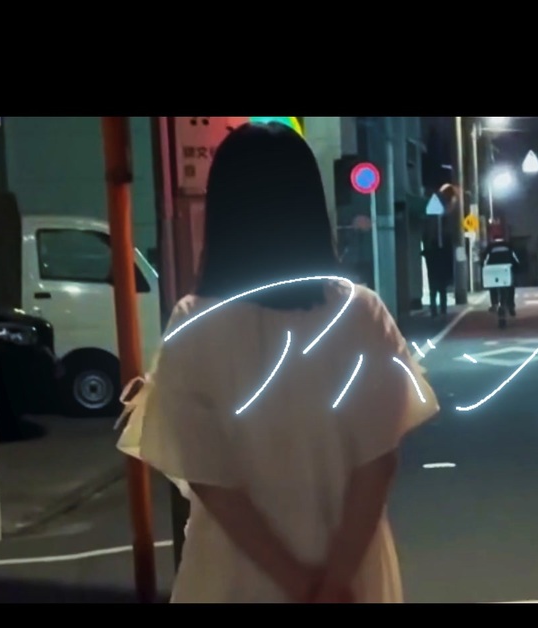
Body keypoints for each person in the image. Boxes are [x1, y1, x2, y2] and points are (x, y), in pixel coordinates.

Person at [123, 122, 437, 603]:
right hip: (351, 571)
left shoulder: (193, 325)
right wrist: (334, 583)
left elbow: (211, 482)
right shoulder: (361, 313)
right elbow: (378, 461)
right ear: (310, 207)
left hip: (233, 575)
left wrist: (295, 584)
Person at [483, 237, 521, 328]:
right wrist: (517, 269)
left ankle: (494, 303)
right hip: (506, 270)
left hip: (493, 270)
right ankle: (510, 305)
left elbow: (484, 260)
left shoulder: (490, 247)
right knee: (510, 286)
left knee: (493, 285)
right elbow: (516, 260)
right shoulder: (509, 246)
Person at [422, 223, 454, 318]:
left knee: (433, 293)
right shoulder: (444, 253)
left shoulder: (431, 253)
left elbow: (424, 252)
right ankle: (443, 309)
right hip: (442, 275)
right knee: (442, 292)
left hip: (433, 275)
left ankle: (434, 311)